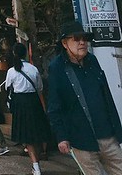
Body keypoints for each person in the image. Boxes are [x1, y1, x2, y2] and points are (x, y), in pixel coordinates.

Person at [48, 20, 122, 175]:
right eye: (76, 38)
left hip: (107, 136)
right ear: (64, 43)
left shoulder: (92, 61)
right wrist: (61, 136)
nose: (82, 42)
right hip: (82, 138)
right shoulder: (57, 68)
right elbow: (54, 106)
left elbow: (106, 96)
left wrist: (117, 129)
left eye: (85, 38)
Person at [5, 43, 50, 175]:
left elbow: (8, 87)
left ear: (14, 54)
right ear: (26, 53)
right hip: (34, 102)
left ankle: (36, 166)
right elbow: (39, 88)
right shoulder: (33, 69)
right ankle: (39, 158)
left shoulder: (12, 71)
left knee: (27, 136)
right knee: (38, 132)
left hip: (20, 103)